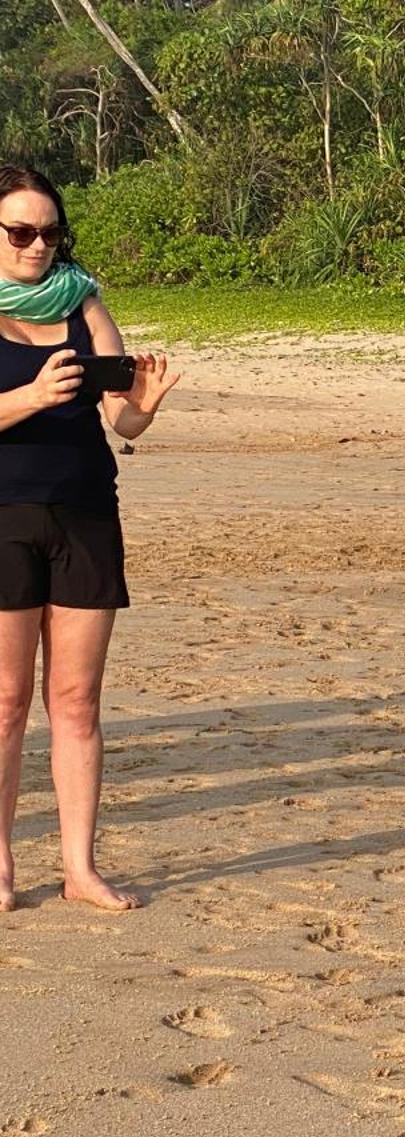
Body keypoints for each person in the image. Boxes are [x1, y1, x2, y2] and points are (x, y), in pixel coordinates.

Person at [0, 163, 177, 911]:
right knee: (5, 702)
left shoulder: (83, 300)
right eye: (20, 232)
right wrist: (32, 395)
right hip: (4, 518)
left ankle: (80, 869)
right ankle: (2, 866)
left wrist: (145, 405)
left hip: (85, 515)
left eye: (49, 231)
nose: (39, 246)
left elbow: (120, 418)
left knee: (76, 701)